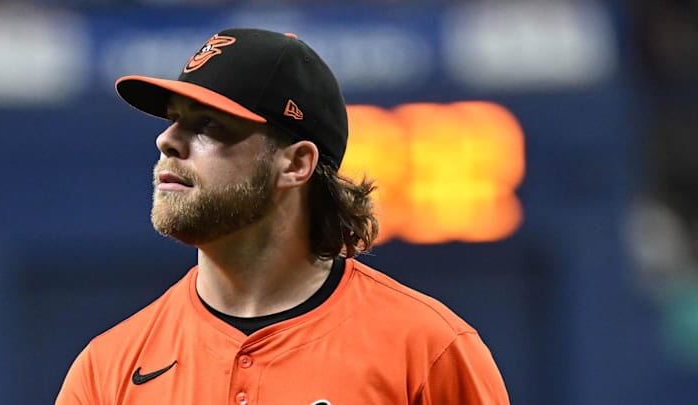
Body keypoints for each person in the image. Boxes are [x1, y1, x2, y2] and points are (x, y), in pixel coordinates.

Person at [55, 28, 510, 404]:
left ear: (295, 164)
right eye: (173, 119)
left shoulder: (428, 350)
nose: (167, 141)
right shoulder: (107, 369)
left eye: (209, 124)